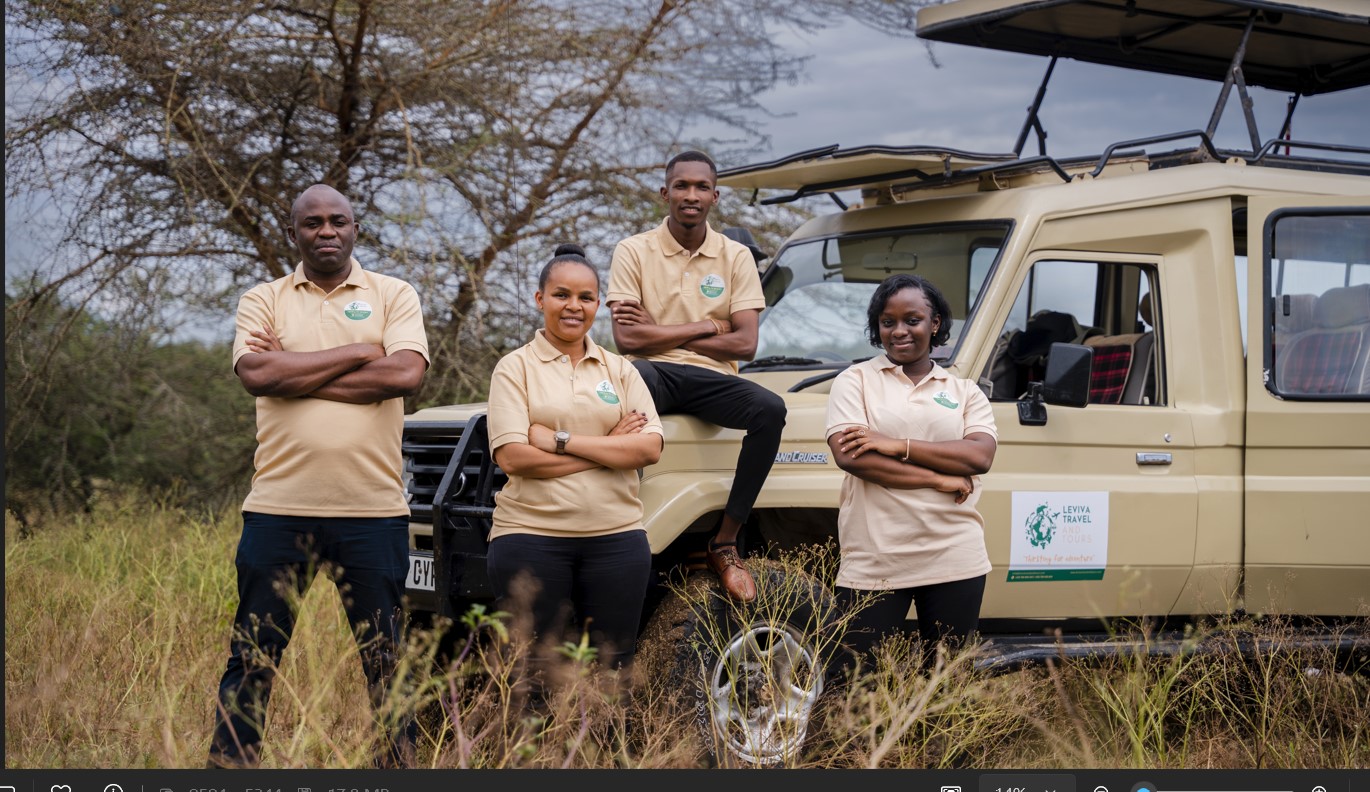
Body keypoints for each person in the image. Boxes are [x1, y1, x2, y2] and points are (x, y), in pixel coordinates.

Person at [209, 184, 428, 768]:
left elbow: (405, 375)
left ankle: (397, 770)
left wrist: (294, 370)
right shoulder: (263, 299)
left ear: (356, 229)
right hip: (278, 511)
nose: (326, 231)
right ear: (293, 233)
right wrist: (361, 351)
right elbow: (258, 375)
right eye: (312, 223)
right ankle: (230, 769)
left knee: (386, 659)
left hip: (373, 512)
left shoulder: (394, 293)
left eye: (338, 221)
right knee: (253, 657)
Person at [607, 150, 786, 602]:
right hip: (652, 373)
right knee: (628, 384)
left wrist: (662, 331)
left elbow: (745, 344)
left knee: (770, 409)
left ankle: (724, 541)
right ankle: (615, 525)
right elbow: (628, 339)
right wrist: (708, 325)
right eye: (682, 186)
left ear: (715, 197)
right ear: (664, 193)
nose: (691, 195)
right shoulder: (633, 250)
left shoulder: (736, 256)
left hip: (711, 379)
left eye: (701, 187)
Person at [486, 244, 664, 675]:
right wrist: (609, 448)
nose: (574, 306)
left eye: (585, 297)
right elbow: (514, 458)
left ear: (598, 304)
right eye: (561, 294)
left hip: (617, 540)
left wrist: (559, 441)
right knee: (533, 674)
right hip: (531, 536)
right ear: (540, 299)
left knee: (611, 674)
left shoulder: (620, 370)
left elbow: (648, 449)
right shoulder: (514, 368)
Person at [824, 273, 998, 666]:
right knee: (854, 679)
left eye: (912, 320)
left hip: (954, 553)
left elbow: (979, 457)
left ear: (934, 324)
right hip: (876, 556)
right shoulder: (855, 381)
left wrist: (897, 445)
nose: (899, 331)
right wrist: (938, 478)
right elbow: (853, 458)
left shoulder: (963, 391)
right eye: (888, 322)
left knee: (948, 679)